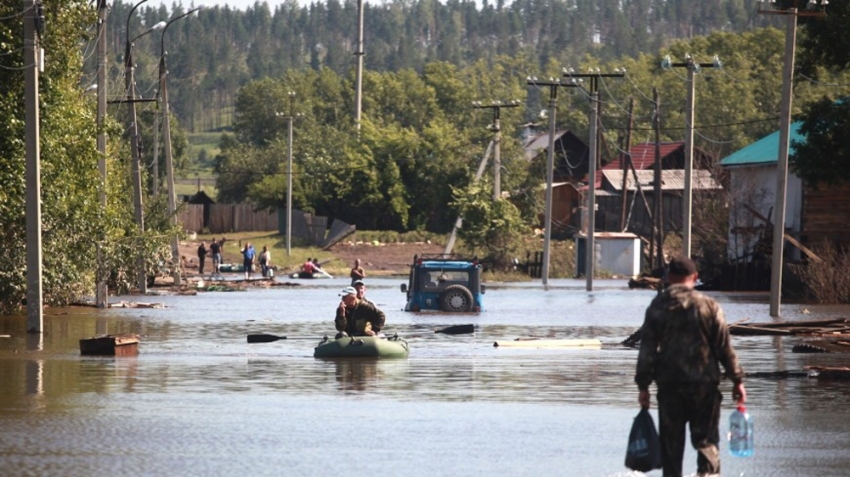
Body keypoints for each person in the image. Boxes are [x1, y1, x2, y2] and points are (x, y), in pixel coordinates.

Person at [635, 255, 746, 477]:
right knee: (706, 442)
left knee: (671, 448)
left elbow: (647, 349)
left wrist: (643, 386)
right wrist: (737, 380)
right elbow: (724, 347)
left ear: (668, 278)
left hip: (669, 386)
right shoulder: (709, 306)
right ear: (695, 277)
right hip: (704, 386)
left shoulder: (658, 306)